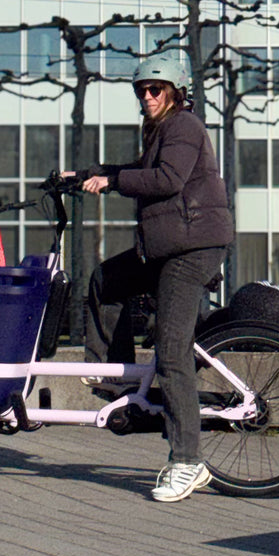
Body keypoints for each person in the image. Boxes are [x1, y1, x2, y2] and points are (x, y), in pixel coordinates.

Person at [77, 52, 234, 504]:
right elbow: (141, 170)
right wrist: (88, 174)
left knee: (171, 349)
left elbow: (166, 180)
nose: (147, 96)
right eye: (141, 90)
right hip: (165, 248)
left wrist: (113, 183)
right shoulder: (159, 129)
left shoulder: (183, 125)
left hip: (191, 250)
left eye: (155, 89)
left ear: (175, 92)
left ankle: (188, 461)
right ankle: (120, 384)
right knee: (106, 280)